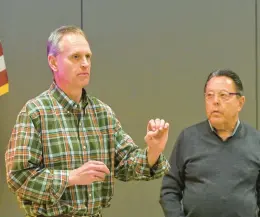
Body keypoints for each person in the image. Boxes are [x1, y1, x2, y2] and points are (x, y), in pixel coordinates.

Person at [5, 25, 170, 217]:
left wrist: (153, 151)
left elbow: (126, 165)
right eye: (76, 57)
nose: (85, 63)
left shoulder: (102, 113)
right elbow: (19, 178)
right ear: (53, 62)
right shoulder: (35, 113)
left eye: (88, 57)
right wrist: (70, 177)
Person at [160, 69, 260, 217]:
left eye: (223, 95)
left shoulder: (256, 140)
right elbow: (169, 190)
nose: (215, 101)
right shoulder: (188, 138)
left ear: (240, 102)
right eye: (209, 96)